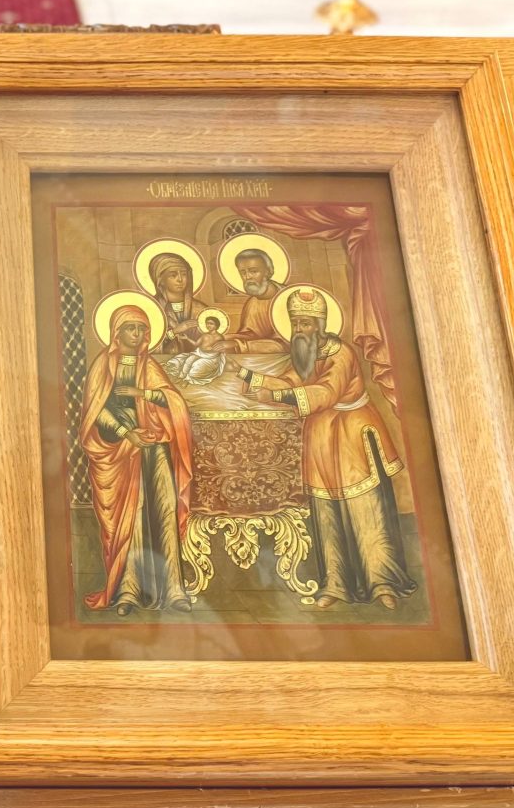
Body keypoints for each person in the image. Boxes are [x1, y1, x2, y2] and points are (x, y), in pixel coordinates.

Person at [232, 287, 416, 609]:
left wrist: (275, 396)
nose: (299, 330)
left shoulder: (341, 353)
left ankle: (382, 581)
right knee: (326, 513)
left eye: (305, 324)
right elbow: (291, 380)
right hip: (321, 438)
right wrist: (250, 377)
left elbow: (327, 392)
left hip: (352, 436)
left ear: (320, 324)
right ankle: (336, 583)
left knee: (366, 510)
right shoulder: (306, 354)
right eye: (295, 324)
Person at [80, 303, 194, 614]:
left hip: (154, 446)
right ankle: (128, 590)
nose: (137, 333)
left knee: (164, 510)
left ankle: (174, 590)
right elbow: (95, 411)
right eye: (130, 328)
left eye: (141, 328)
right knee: (131, 515)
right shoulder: (103, 365)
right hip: (120, 449)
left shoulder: (149, 365)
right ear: (116, 333)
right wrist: (125, 432)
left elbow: (173, 400)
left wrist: (142, 394)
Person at [213, 248, 286, 355]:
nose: (247, 277)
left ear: (268, 272)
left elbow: (286, 344)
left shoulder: (287, 298)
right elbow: (252, 334)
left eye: (253, 271)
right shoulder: (253, 302)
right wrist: (222, 338)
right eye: (243, 272)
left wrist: (239, 345)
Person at [148, 252, 207, 354]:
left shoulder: (201, 309)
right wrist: (174, 332)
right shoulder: (152, 309)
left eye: (184, 274)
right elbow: (147, 345)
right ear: (160, 280)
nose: (180, 279)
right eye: (173, 275)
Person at [164, 315, 226, 386]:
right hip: (200, 353)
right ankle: (181, 377)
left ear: (216, 325)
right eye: (207, 323)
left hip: (211, 357)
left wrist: (214, 350)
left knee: (196, 365)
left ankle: (187, 380)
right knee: (188, 360)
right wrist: (187, 338)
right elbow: (196, 344)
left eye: (211, 323)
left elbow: (221, 348)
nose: (208, 325)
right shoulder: (204, 335)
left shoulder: (219, 337)